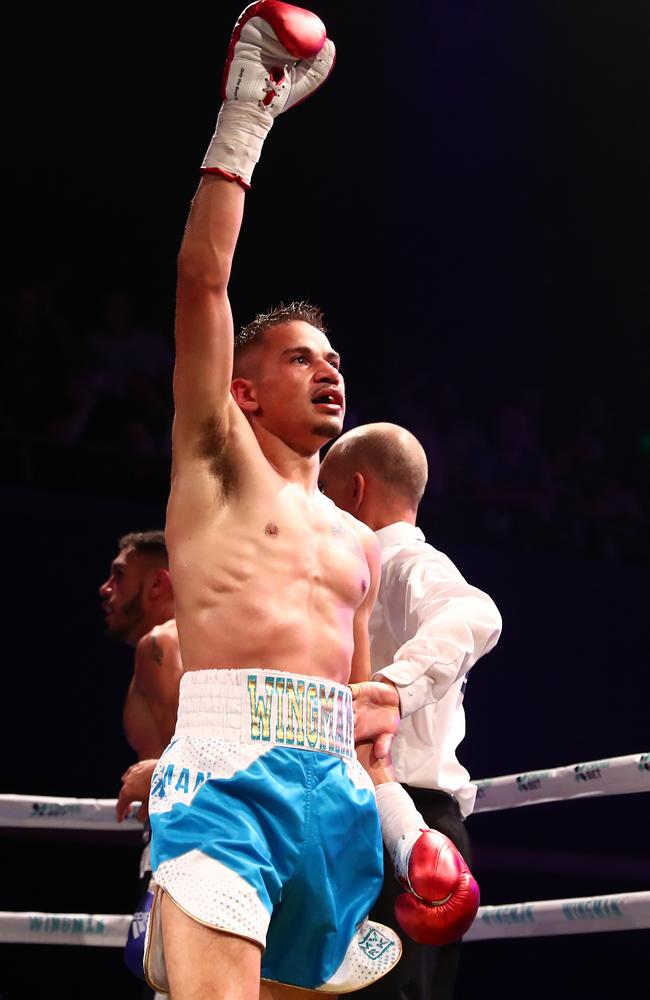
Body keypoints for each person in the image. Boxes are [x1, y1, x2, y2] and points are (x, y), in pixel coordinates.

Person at [140, 5, 478, 997]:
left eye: (333, 360)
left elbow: (368, 728)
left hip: (332, 791)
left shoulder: (354, 545)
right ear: (243, 391)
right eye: (299, 359)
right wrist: (249, 115)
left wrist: (410, 833)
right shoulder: (213, 463)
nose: (328, 372)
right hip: (224, 765)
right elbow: (202, 280)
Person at [318, 422, 503, 1000]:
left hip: (409, 827)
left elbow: (475, 614)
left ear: (353, 491)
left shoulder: (404, 562)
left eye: (322, 495)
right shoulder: (353, 579)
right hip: (353, 817)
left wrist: (393, 690)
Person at [98, 530, 182, 995]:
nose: (105, 589)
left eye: (119, 576)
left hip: (184, 847)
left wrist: (158, 773)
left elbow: (189, 756)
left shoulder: (162, 645)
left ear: (157, 585)